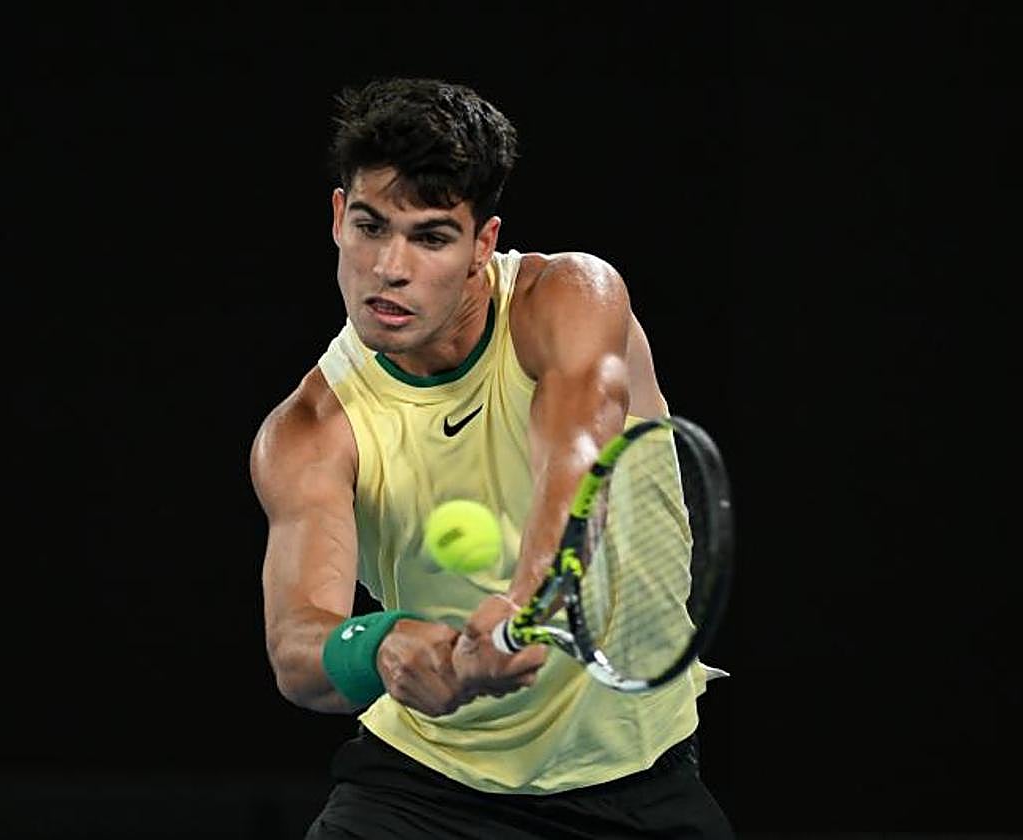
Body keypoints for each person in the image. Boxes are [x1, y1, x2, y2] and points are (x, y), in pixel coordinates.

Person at [249, 76, 733, 839]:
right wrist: (382, 648)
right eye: (372, 226)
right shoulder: (310, 430)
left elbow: (577, 454)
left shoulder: (570, 298)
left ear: (483, 244)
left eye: (431, 236)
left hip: (636, 787)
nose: (389, 268)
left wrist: (528, 601)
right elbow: (297, 646)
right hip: (422, 793)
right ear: (339, 218)